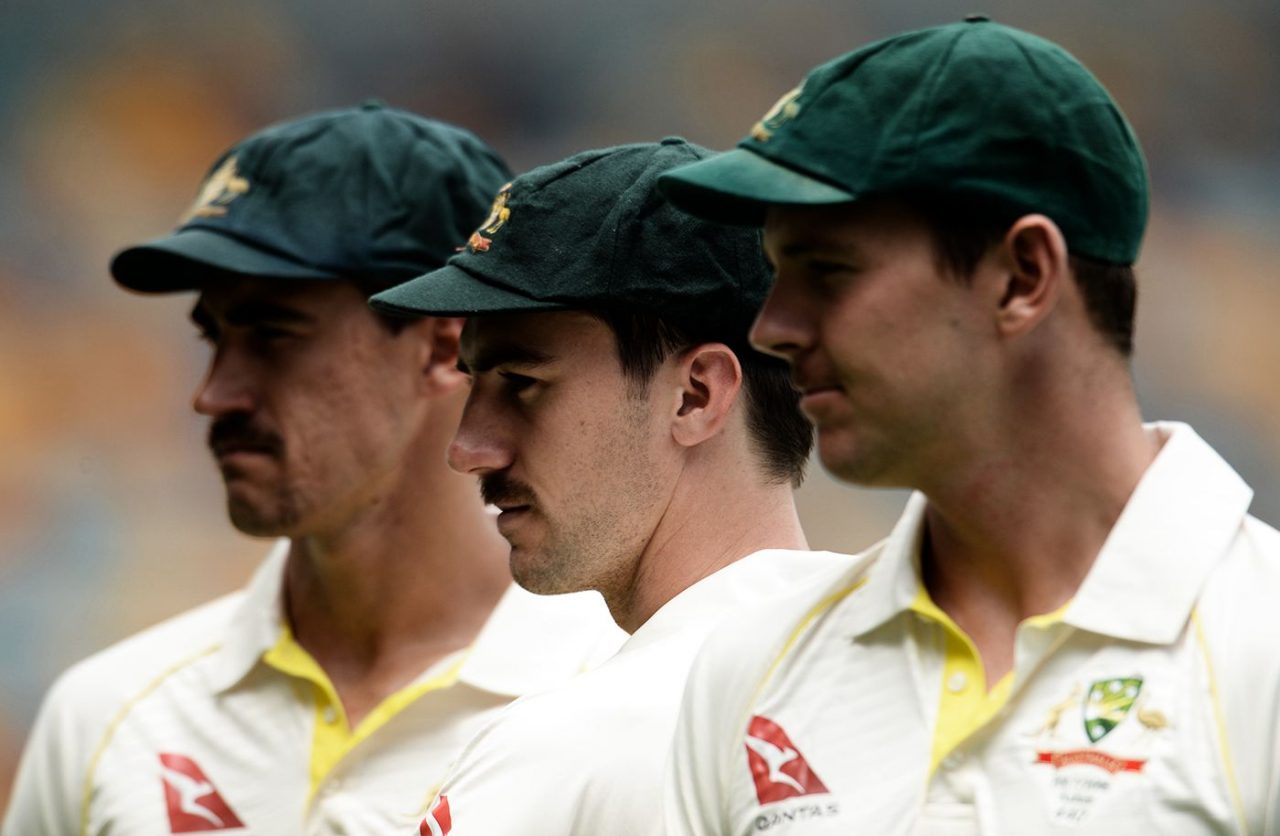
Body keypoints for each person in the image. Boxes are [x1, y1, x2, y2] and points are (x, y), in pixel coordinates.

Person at [656, 18, 1280, 835]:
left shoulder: (1259, 644)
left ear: (1023, 277)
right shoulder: (749, 676)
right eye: (777, 275)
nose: (771, 327)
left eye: (829, 271)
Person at [2, 103, 623, 836]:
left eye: (274, 336)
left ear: (442, 349)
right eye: (213, 336)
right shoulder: (109, 718)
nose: (212, 394)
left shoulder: (631, 696)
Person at [367, 138, 854, 835]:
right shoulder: (927, 682)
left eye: (522, 385)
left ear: (694, 396)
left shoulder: (572, 750)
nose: (467, 449)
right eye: (476, 383)